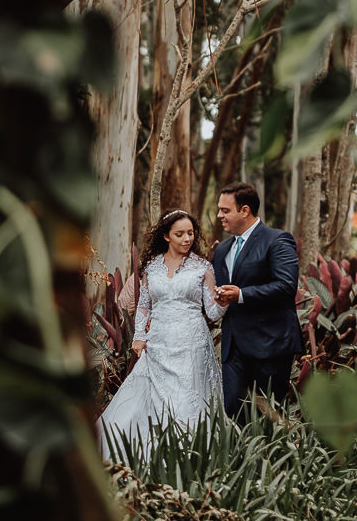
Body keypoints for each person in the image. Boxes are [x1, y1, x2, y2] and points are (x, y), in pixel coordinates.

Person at [97, 209, 224, 460]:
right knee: (148, 397)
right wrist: (139, 337)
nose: (187, 239)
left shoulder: (202, 267)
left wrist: (223, 302)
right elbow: (144, 306)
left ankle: (187, 456)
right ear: (166, 236)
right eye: (180, 234)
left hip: (192, 343)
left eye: (190, 233)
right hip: (158, 342)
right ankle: (142, 454)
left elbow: (212, 311)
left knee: (186, 398)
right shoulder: (151, 267)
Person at [213, 182, 303, 420]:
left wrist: (241, 295)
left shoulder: (278, 240)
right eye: (219, 209)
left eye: (225, 210)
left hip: (269, 344)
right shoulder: (222, 250)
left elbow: (286, 286)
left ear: (245, 211)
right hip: (233, 347)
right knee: (233, 410)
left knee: (267, 417)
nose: (219, 215)